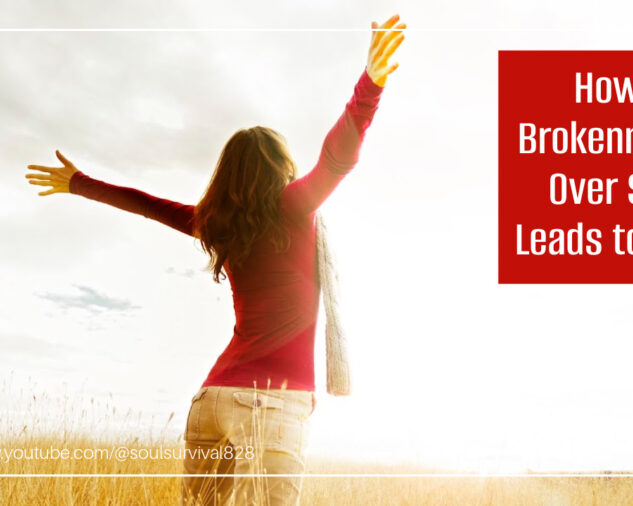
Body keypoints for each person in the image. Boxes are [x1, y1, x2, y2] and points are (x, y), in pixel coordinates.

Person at [25, 14, 404, 505]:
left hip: (213, 399)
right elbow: (337, 157)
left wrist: (80, 183)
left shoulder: (214, 223)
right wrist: (369, 85)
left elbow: (147, 204)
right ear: (282, 171)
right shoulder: (294, 207)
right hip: (274, 402)